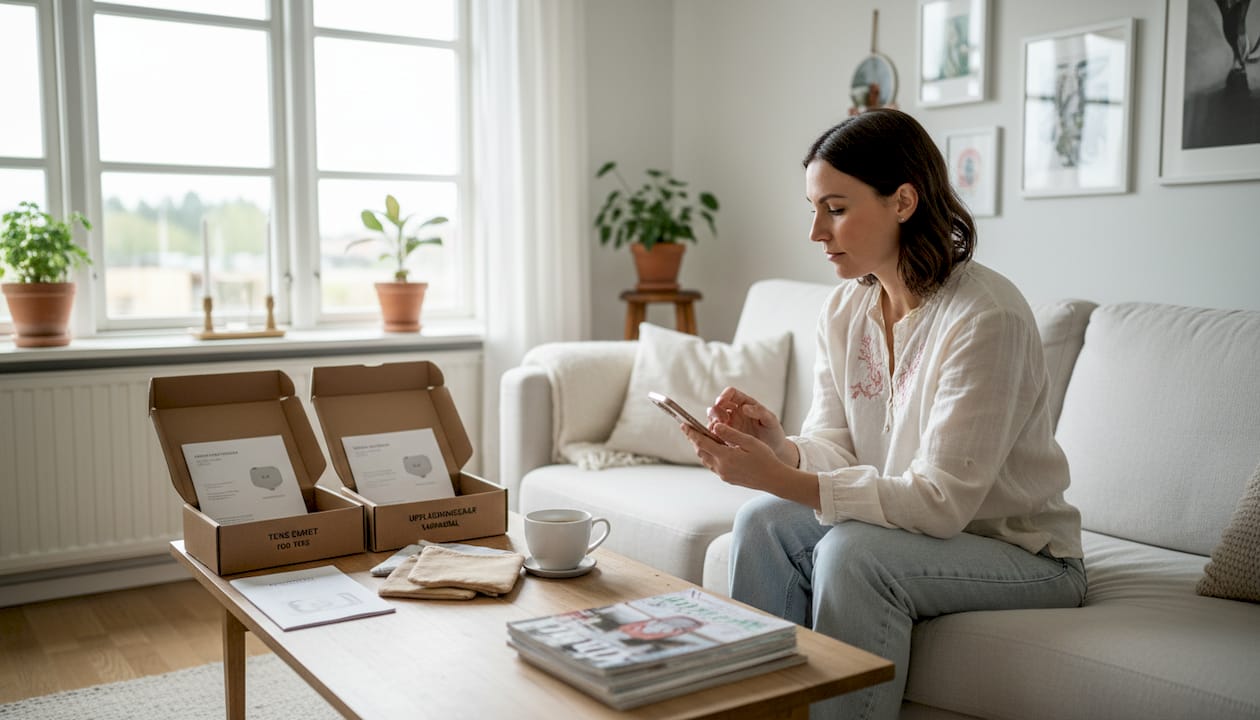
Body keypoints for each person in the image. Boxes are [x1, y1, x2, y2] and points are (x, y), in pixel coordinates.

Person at [680, 109, 1086, 720]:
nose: (816, 231)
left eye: (836, 209)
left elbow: (940, 503)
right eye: (813, 207)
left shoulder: (985, 318)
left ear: (903, 201)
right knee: (763, 521)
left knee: (853, 554)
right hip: (918, 532)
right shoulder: (844, 309)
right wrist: (780, 449)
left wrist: (780, 476)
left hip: (1023, 555)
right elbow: (835, 443)